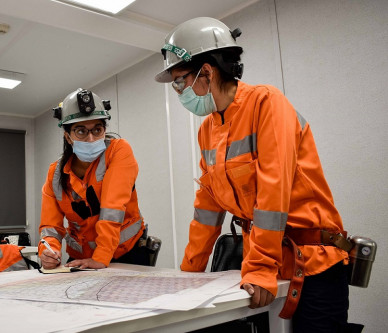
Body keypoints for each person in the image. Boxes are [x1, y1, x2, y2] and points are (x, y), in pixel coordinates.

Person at [155, 17, 361, 332]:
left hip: (314, 264)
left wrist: (261, 267)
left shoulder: (267, 103)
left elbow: (273, 192)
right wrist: (190, 273)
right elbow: (207, 208)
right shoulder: (208, 131)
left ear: (206, 72)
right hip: (269, 266)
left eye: (180, 80)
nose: (178, 90)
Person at [38, 88, 149, 270]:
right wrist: (48, 250)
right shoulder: (55, 174)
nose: (91, 139)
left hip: (126, 254)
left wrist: (101, 257)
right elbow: (50, 226)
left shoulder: (118, 151)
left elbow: (112, 209)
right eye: (81, 131)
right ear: (68, 136)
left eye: (97, 129)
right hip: (81, 259)